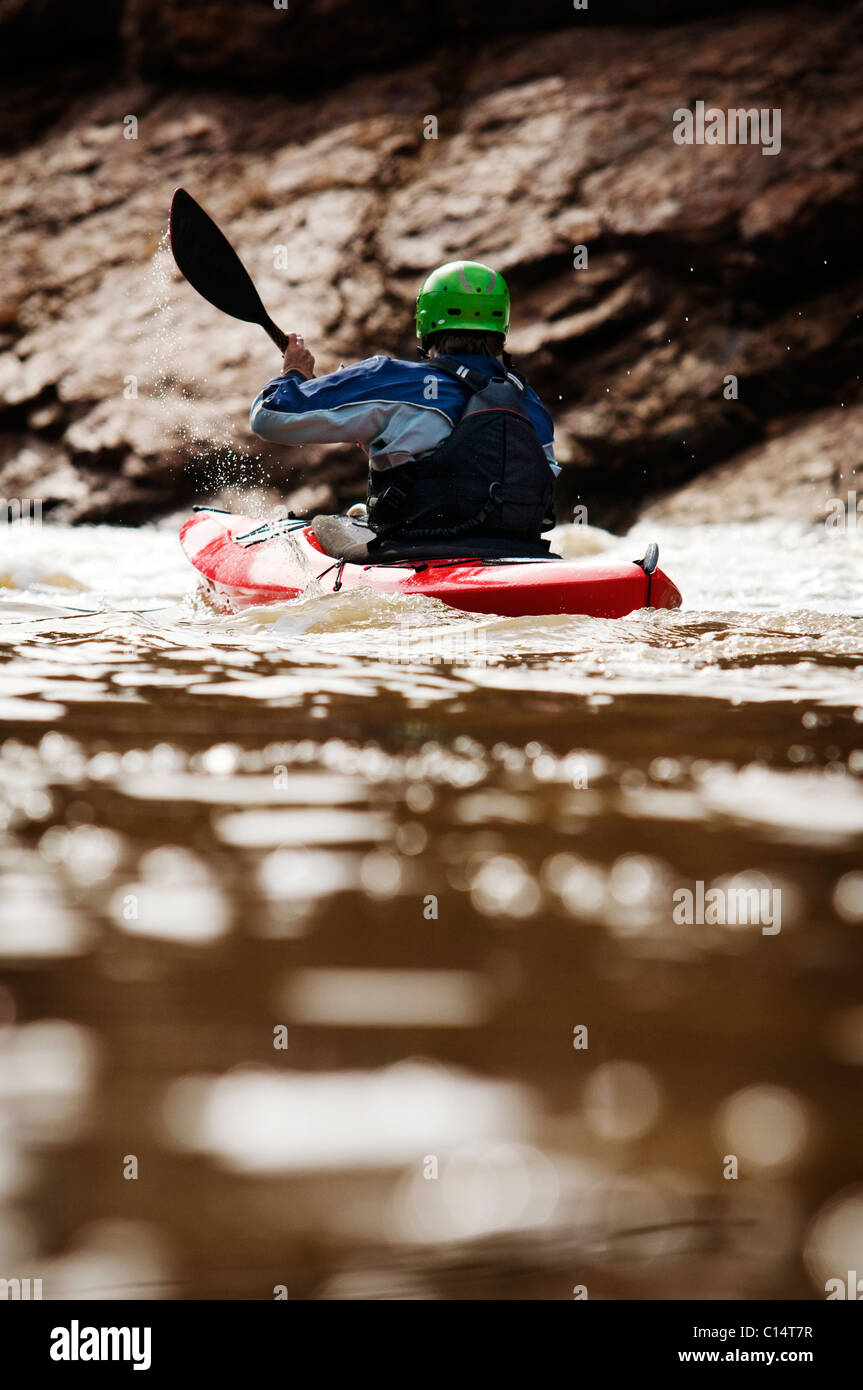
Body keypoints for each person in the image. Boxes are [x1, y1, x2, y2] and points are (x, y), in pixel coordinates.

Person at [249, 260, 560, 559]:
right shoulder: (530, 405)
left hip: (412, 553)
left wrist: (294, 374)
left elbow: (269, 416)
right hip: (521, 553)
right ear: (500, 327)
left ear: (424, 321)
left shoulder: (391, 380)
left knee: (326, 524)